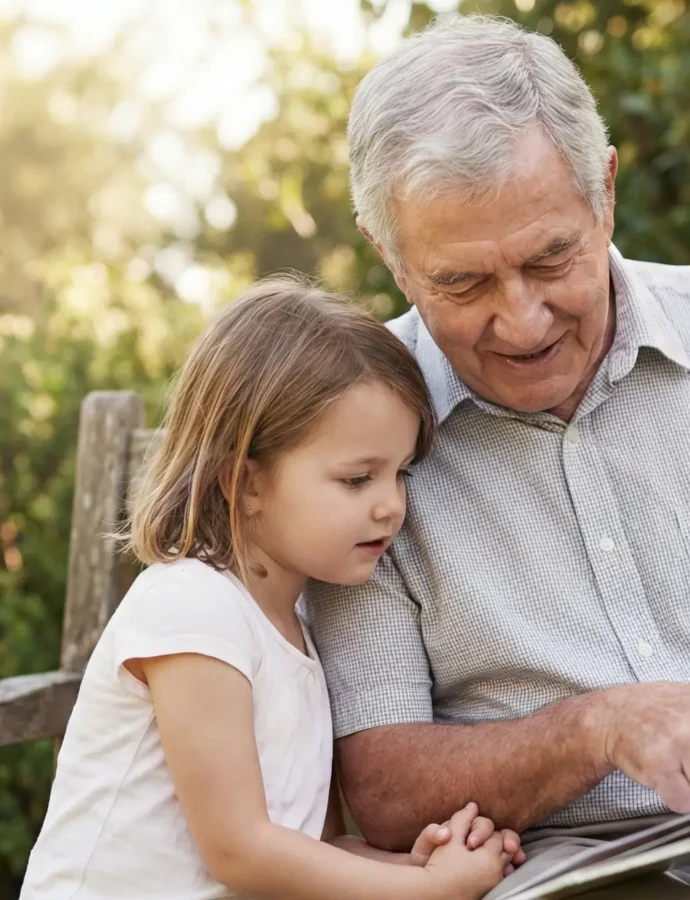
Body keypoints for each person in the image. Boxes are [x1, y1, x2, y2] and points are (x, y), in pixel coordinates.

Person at [304, 13, 690, 898]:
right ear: (392, 260)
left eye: (552, 259)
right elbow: (386, 788)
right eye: (463, 282)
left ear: (606, 194)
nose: (521, 322)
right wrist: (596, 729)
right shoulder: (350, 455)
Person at [20, 278, 524, 900]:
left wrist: (423, 866)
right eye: (357, 478)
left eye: (401, 474)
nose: (391, 506)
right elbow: (240, 849)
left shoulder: (299, 634)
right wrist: (429, 893)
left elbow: (312, 850)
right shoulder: (192, 608)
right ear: (246, 482)